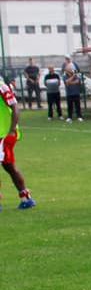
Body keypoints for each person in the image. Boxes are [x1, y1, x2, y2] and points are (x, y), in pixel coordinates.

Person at [0, 79, 36, 212]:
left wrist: (12, 129)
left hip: (4, 134)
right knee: (9, 166)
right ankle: (26, 198)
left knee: (9, 166)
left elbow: (15, 107)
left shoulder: (2, 87)